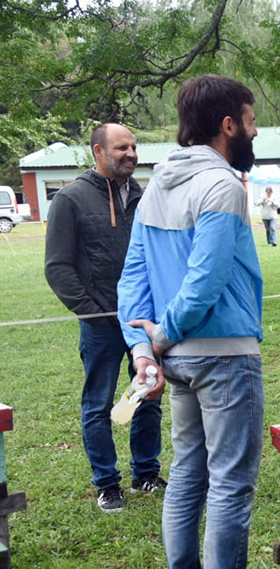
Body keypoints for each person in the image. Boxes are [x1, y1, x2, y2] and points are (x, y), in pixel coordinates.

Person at [117, 74, 280, 569]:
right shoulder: (222, 185)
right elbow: (207, 276)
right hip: (221, 355)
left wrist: (146, 349)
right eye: (250, 118)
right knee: (229, 486)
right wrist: (161, 336)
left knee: (188, 476)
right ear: (228, 125)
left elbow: (133, 281)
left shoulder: (154, 186)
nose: (255, 129)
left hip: (181, 360)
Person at [44, 122, 164, 513]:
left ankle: (145, 472)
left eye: (133, 146)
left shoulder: (145, 198)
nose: (130, 153)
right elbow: (58, 267)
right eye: (120, 148)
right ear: (98, 152)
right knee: (98, 404)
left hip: (141, 323)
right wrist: (93, 314)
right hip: (101, 325)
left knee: (146, 394)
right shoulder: (71, 199)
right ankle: (107, 483)